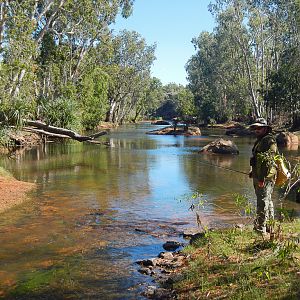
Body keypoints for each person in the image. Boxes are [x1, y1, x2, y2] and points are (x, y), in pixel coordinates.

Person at [249, 118, 278, 234]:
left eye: (259, 128)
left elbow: (268, 161)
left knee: (262, 202)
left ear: (265, 128)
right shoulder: (260, 140)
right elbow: (257, 159)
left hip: (265, 178)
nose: (257, 130)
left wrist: (262, 179)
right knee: (267, 200)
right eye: (255, 128)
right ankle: (270, 227)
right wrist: (252, 171)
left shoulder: (269, 140)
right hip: (259, 176)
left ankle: (260, 229)